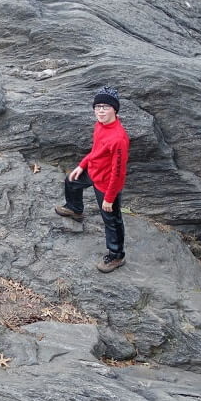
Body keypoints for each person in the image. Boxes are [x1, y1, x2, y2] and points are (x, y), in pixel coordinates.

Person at [55, 86, 130, 273]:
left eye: (105, 106)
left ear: (115, 109)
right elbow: (96, 151)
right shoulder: (100, 125)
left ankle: (116, 255)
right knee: (71, 181)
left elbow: (119, 172)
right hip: (93, 170)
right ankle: (75, 209)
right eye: (97, 107)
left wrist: (109, 198)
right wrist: (82, 165)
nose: (101, 110)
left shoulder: (119, 138)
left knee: (112, 220)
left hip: (107, 184)